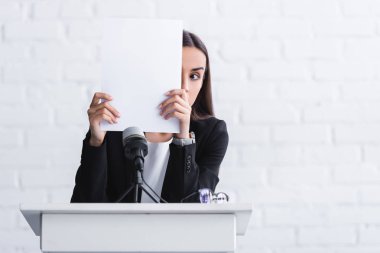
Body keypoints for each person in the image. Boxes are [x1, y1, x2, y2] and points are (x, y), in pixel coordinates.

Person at [70, 30, 229, 203]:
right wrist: (96, 143)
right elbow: (84, 204)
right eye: (174, 73)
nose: (184, 87)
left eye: (194, 76)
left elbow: (193, 206)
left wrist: (183, 138)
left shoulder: (213, 133)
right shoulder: (115, 124)